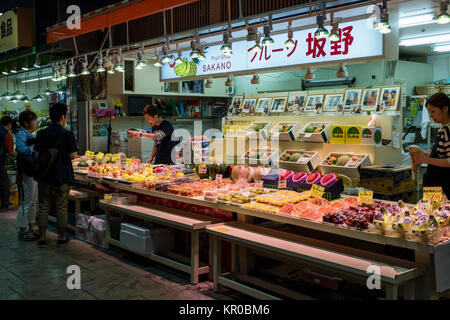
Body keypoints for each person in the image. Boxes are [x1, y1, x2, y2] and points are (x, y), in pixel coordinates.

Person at [35, 103, 78, 248]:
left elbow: (36, 153)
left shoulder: (41, 133)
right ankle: (60, 237)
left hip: (44, 174)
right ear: (62, 117)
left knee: (44, 206)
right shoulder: (67, 134)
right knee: (61, 207)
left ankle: (42, 238)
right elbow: (73, 155)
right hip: (62, 175)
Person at [410, 93, 450, 198]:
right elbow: (442, 155)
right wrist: (424, 154)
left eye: (433, 111)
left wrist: (425, 160)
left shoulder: (448, 130)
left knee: (439, 212)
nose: (431, 115)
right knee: (429, 211)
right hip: (435, 184)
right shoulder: (442, 129)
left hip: (444, 186)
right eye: (429, 112)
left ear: (445, 109)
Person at [16, 110, 39, 241]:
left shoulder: (28, 134)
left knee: (33, 201)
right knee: (26, 200)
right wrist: (33, 150)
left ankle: (31, 226)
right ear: (26, 123)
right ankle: (22, 229)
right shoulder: (21, 134)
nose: (36, 123)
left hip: (32, 171)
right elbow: (20, 149)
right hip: (26, 171)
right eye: (33, 120)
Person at [0, 116, 17, 212]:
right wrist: (18, 156)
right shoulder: (6, 135)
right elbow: (11, 151)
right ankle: (5, 205)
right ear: (9, 124)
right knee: (5, 182)